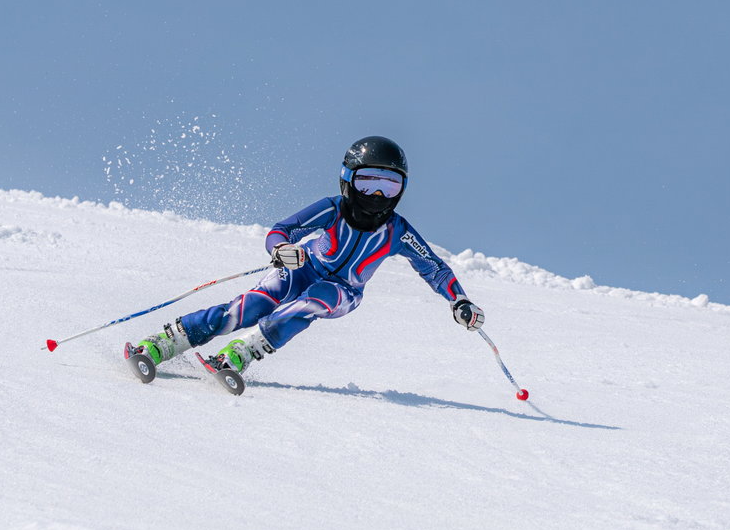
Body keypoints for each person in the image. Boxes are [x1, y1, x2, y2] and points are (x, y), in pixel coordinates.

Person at [126, 135, 485, 375]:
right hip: (301, 269)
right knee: (247, 307)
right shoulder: (331, 209)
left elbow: (434, 268)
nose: (377, 196)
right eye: (368, 182)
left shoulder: (397, 231)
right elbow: (281, 231)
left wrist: (459, 301)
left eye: (389, 185)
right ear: (348, 179)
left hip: (344, 290)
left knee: (317, 299)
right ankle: (164, 343)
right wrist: (282, 251)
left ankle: (244, 352)